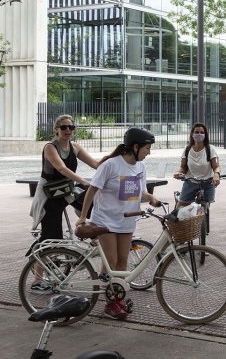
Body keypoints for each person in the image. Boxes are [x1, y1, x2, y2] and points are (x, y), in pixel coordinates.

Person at [76, 127, 163, 320]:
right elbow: (92, 190)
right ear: (135, 147)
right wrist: (83, 217)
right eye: (147, 148)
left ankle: (117, 297)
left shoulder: (140, 167)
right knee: (112, 261)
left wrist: (151, 198)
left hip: (127, 220)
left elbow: (140, 193)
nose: (149, 153)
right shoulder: (111, 165)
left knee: (123, 261)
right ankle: (110, 303)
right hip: (105, 219)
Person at [28, 114, 100, 294]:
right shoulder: (50, 147)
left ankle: (94, 241)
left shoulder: (75, 147)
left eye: (71, 127)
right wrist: (84, 181)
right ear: (56, 130)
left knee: (95, 206)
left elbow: (95, 163)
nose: (68, 130)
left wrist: (116, 162)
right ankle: (37, 282)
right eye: (64, 127)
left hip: (67, 190)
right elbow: (61, 168)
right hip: (49, 194)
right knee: (50, 239)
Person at [173, 123, 222, 209]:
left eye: (202, 132)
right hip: (190, 182)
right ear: (192, 134)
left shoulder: (210, 149)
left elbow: (216, 166)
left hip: (207, 183)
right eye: (197, 132)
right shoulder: (187, 149)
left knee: (204, 210)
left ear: (205, 135)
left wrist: (216, 174)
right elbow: (182, 166)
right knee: (179, 209)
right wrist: (178, 172)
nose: (199, 134)